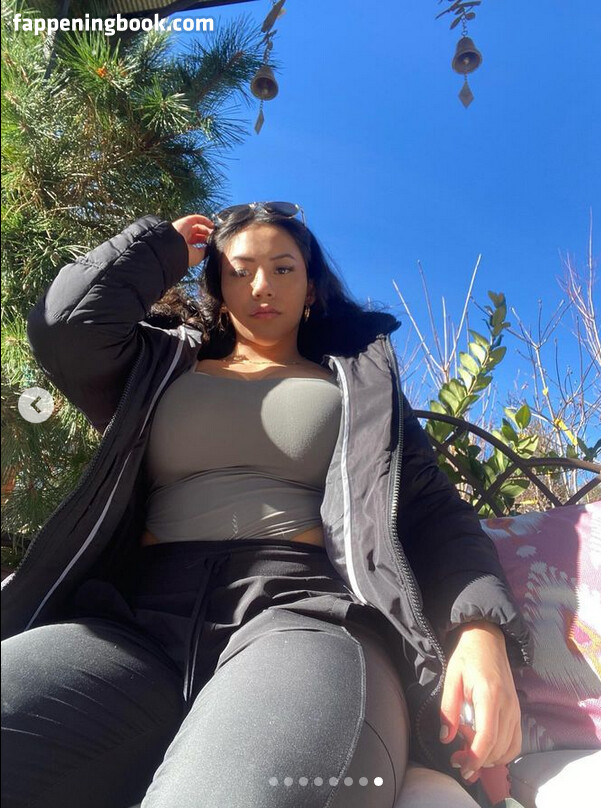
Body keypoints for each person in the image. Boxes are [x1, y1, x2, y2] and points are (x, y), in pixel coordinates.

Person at [1, 202, 533, 808]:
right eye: (240, 269)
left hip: (305, 614)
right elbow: (64, 328)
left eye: (283, 268)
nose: (262, 286)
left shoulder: (358, 385)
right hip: (132, 621)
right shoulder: (159, 366)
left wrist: (480, 629)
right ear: (217, 286)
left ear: (311, 288)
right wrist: (160, 249)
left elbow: (433, 512)